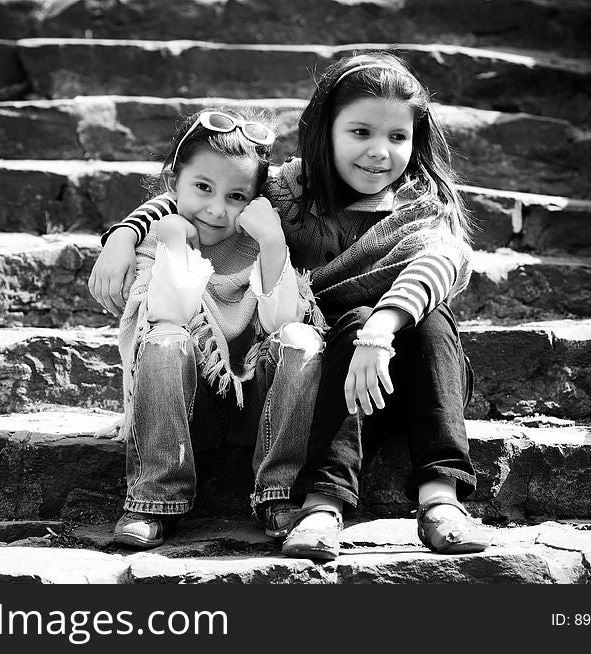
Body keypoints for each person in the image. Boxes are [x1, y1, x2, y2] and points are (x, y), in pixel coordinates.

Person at [91, 52, 492, 560]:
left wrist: (382, 329)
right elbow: (210, 188)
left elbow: (437, 266)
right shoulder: (288, 189)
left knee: (425, 320)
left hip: (404, 370)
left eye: (397, 137)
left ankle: (441, 499)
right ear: (325, 131)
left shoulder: (423, 204)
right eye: (361, 132)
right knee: (341, 326)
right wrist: (126, 233)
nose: (379, 152)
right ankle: (319, 504)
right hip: (323, 379)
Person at [109, 107, 325, 549]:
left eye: (236, 196)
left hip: (257, 412)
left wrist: (272, 243)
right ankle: (155, 497)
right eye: (203, 188)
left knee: (301, 337)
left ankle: (278, 493)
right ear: (173, 186)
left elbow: (280, 320)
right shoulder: (153, 242)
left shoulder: (260, 243)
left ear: (256, 200)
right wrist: (172, 240)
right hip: (185, 413)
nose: (216, 208)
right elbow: (165, 314)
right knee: (167, 338)